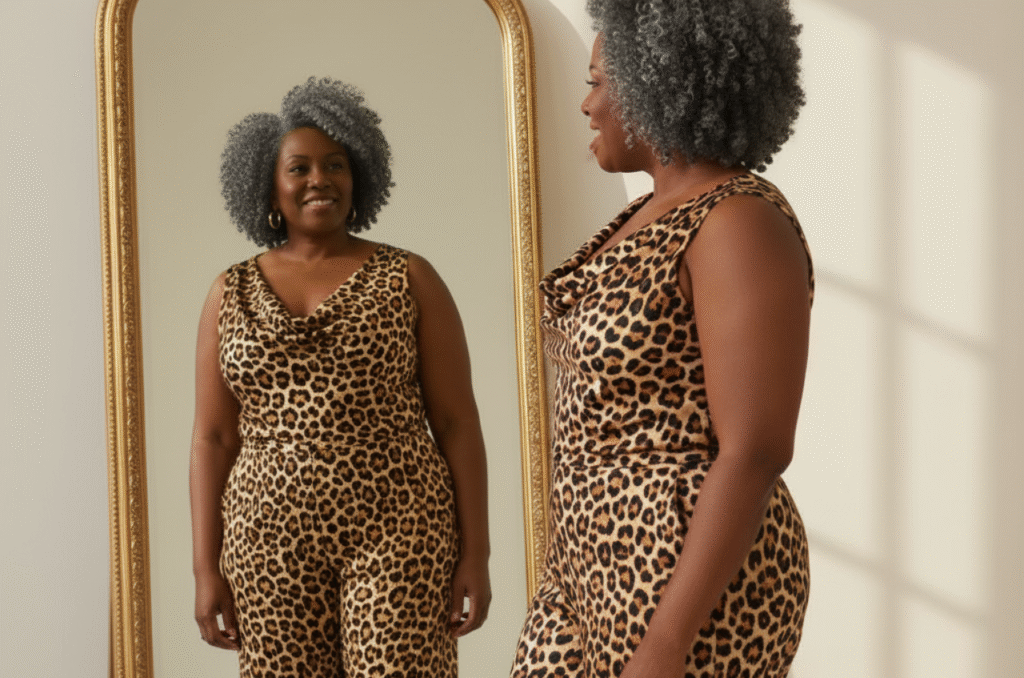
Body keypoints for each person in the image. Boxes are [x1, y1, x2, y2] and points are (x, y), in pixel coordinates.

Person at [512, 1, 811, 677]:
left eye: (596, 81)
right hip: (589, 564)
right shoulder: (645, 215)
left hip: (680, 574)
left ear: (656, 83)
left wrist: (666, 640)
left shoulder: (737, 221)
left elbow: (756, 449)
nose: (586, 106)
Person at [189, 77, 491, 678]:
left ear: (361, 180)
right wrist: (206, 569)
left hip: (401, 529)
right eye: (299, 167)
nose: (319, 179)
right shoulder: (230, 291)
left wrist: (476, 554)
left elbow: (457, 422)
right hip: (265, 541)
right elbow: (213, 439)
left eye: (336, 165)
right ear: (269, 186)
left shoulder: (411, 277)